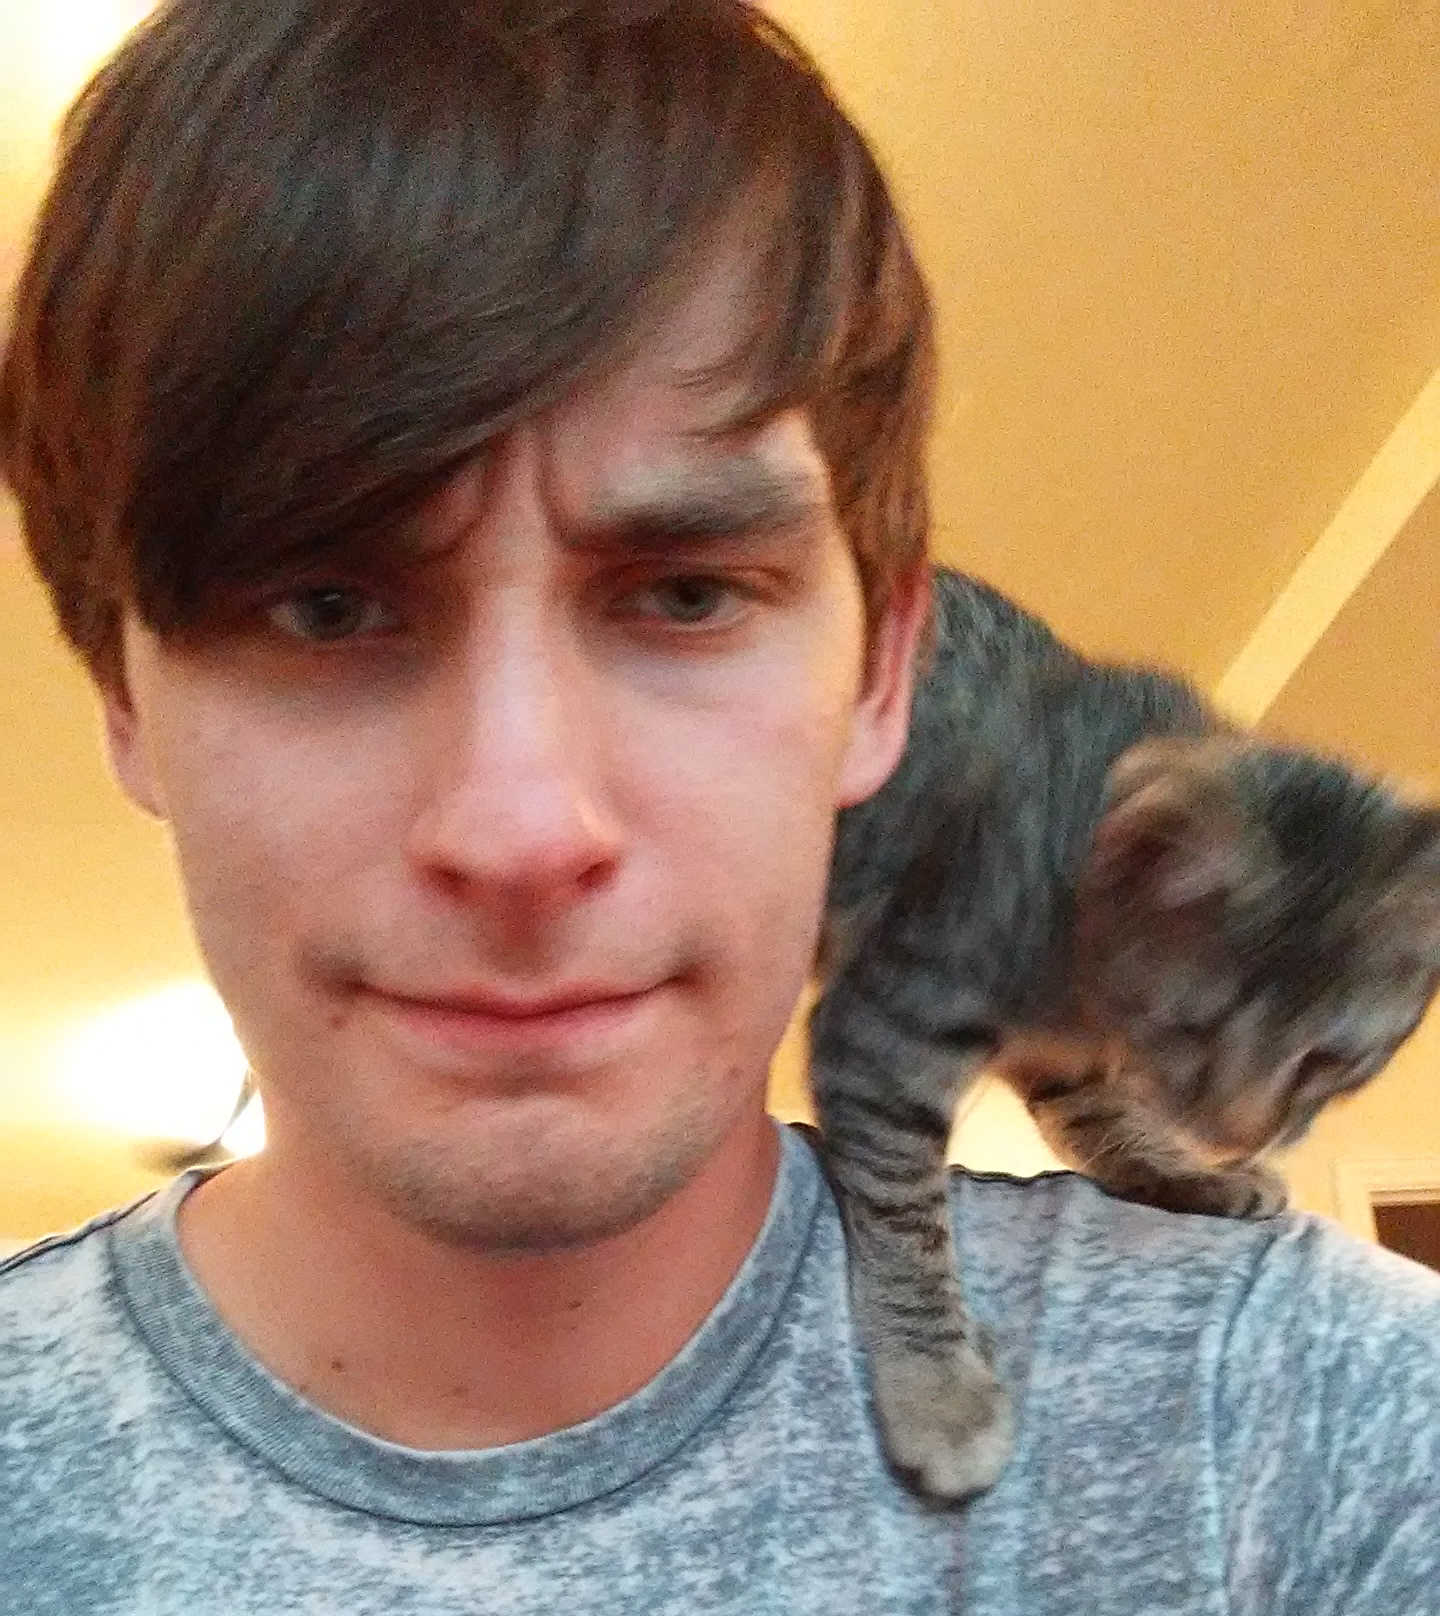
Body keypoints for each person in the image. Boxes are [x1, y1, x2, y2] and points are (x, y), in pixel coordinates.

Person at [1, 1, 1436, 1610]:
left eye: (686, 594)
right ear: (121, 692)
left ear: (883, 673)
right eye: (325, 606)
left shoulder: (1323, 1433)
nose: (524, 831)